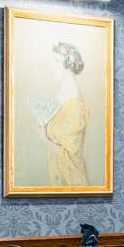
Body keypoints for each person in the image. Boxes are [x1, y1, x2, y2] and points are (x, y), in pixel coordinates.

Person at [41, 42, 89, 187]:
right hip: (56, 178)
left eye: (56, 61)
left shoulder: (75, 103)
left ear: (68, 65)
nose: (51, 66)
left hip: (72, 182)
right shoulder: (60, 95)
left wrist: (43, 136)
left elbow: (69, 156)